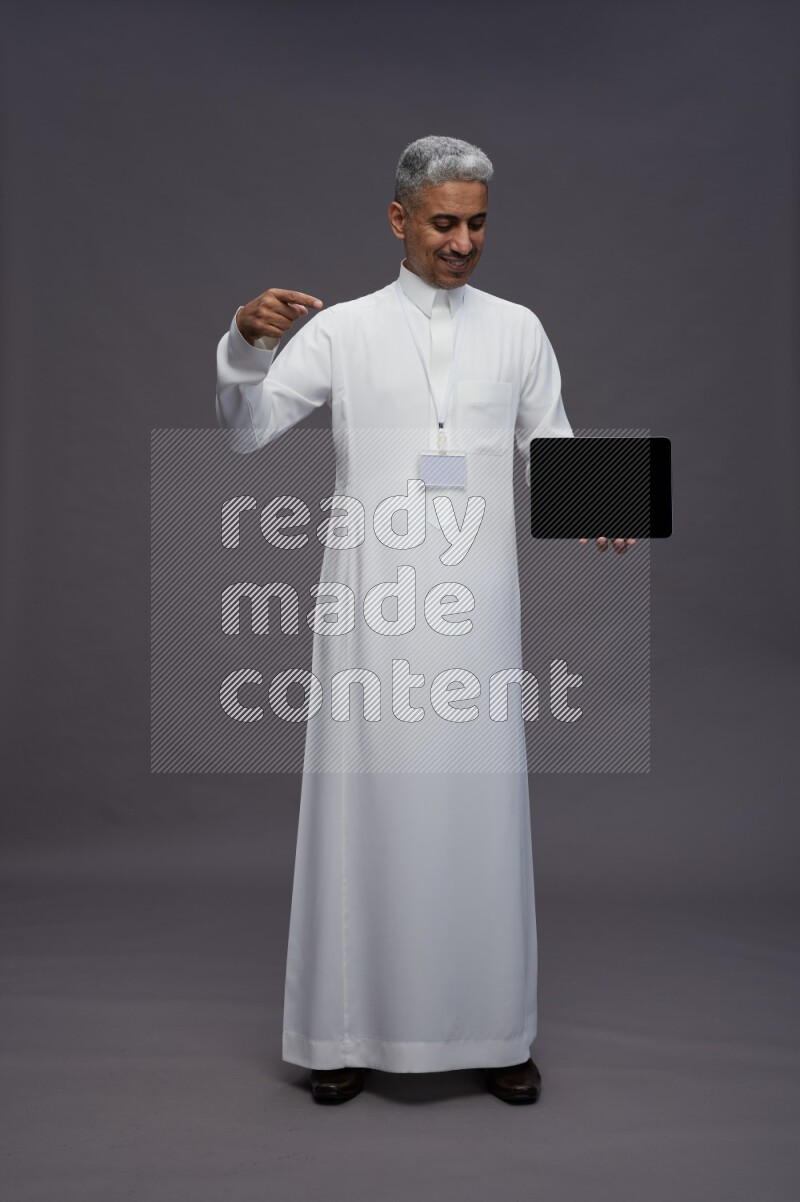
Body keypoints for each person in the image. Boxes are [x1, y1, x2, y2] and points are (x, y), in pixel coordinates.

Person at [215, 135, 634, 1106]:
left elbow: (552, 443)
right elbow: (243, 432)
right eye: (443, 222)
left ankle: (494, 1029)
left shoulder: (516, 327)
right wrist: (245, 341)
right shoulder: (342, 331)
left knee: (478, 809)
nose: (461, 242)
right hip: (370, 605)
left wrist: (601, 500)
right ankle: (342, 1032)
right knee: (366, 804)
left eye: (477, 223)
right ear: (398, 219)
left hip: (478, 609)